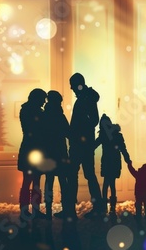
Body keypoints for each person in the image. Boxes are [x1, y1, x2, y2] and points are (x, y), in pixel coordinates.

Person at [60, 73, 104, 219]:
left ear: (78, 84)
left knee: (75, 175)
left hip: (80, 144)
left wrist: (76, 133)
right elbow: (93, 121)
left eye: (72, 84)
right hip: (84, 143)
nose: (71, 88)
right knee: (87, 174)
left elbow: (93, 120)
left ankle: (70, 209)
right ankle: (97, 207)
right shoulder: (87, 98)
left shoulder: (85, 100)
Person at [17, 88, 48, 220]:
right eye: (42, 99)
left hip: (29, 147)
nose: (44, 102)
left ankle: (25, 210)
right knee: (34, 181)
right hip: (34, 148)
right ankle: (33, 209)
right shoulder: (35, 112)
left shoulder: (26, 110)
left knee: (29, 181)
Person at [41, 90, 70, 220]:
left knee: (49, 180)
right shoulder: (60, 115)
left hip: (48, 152)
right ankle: (65, 208)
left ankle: (48, 209)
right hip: (60, 151)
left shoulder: (45, 115)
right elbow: (68, 132)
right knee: (63, 180)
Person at [95, 114, 131, 216]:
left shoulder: (103, 136)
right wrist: (127, 159)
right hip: (114, 161)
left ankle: (104, 206)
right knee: (112, 184)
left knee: (106, 183)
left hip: (107, 161)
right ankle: (112, 207)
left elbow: (93, 145)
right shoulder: (117, 135)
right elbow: (123, 149)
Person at [127, 161, 146, 225]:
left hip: (140, 194)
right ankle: (144, 216)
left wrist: (129, 165)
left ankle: (141, 215)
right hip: (143, 195)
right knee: (144, 205)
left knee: (141, 205)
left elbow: (132, 170)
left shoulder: (139, 176)